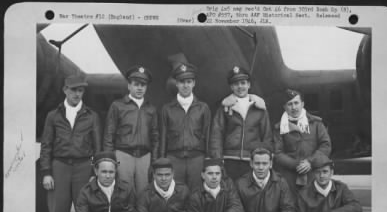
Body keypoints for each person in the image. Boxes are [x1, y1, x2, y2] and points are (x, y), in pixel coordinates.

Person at [39, 74, 102, 212]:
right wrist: (47, 172)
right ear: (65, 90)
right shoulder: (53, 115)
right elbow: (46, 145)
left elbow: (98, 148)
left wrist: (96, 173)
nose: (77, 93)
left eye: (80, 90)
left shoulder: (92, 116)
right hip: (60, 167)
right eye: (73, 89)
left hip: (84, 167)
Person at [210, 66, 273, 180]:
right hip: (229, 159)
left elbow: (266, 135)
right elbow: (217, 134)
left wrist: (264, 159)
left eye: (243, 83)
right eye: (236, 84)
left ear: (249, 85)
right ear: (231, 87)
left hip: (252, 160)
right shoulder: (224, 107)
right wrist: (217, 159)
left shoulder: (259, 107)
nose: (240, 87)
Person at [103, 65, 159, 195]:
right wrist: (109, 159)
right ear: (129, 86)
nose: (139, 88)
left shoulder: (151, 109)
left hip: (145, 156)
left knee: (144, 193)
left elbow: (155, 137)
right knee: (124, 192)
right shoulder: (118, 106)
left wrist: (154, 160)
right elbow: (109, 134)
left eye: (143, 85)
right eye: (136, 84)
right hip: (123, 154)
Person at [159, 62, 211, 190]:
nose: (185, 85)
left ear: (194, 83)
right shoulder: (167, 109)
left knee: (196, 193)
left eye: (188, 81)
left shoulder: (203, 108)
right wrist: (162, 161)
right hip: (174, 158)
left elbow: (208, 135)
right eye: (182, 82)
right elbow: (163, 137)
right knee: (175, 193)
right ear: (176, 84)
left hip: (197, 158)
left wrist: (209, 160)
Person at [273, 89, 331, 197]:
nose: (294, 107)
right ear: (284, 107)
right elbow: (278, 153)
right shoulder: (279, 128)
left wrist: (310, 162)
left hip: (313, 172)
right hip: (289, 175)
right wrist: (297, 165)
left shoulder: (316, 123)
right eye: (290, 104)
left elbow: (325, 145)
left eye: (296, 103)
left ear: (302, 104)